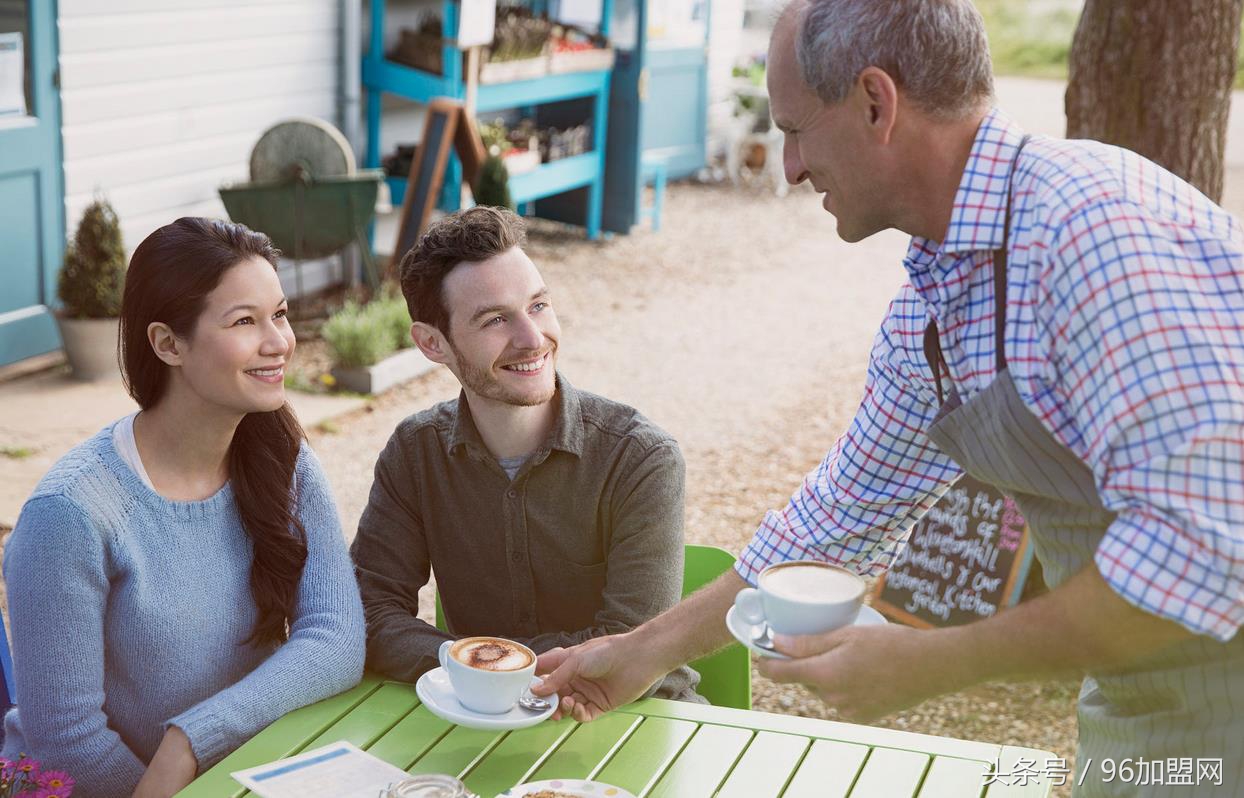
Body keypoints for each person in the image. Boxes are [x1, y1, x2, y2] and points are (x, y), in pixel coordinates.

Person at [533, 1, 1244, 794]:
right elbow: (838, 519)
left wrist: (934, 663)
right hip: (1139, 711)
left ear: (876, 102)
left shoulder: (1093, 235)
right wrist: (637, 653)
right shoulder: (935, 300)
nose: (790, 167)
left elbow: (1207, 551)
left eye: (796, 130)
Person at [2, 218, 366, 798]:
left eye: (279, 314)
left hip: (234, 775)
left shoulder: (283, 459)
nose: (279, 341)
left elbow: (336, 637)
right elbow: (66, 743)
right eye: (244, 321)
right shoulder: (68, 515)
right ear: (168, 344)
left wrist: (192, 740)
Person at [350, 206, 700, 701]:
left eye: (538, 305)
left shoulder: (640, 458)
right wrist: (473, 667)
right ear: (432, 343)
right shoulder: (415, 453)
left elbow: (629, 649)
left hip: (635, 717)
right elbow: (369, 612)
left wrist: (476, 664)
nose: (533, 339)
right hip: (480, 716)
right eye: (495, 319)